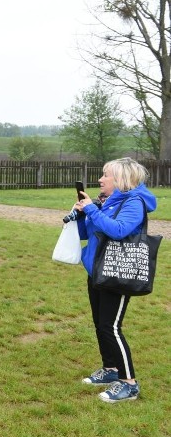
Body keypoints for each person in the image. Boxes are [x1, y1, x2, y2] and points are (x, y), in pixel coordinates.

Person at [74, 157, 156, 403]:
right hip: (97, 271)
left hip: (116, 273)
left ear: (121, 179)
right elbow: (87, 233)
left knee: (111, 327)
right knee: (101, 324)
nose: (100, 179)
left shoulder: (135, 202)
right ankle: (110, 370)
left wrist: (91, 210)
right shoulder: (108, 202)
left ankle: (129, 384)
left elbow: (119, 230)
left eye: (105, 175)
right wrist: (81, 214)